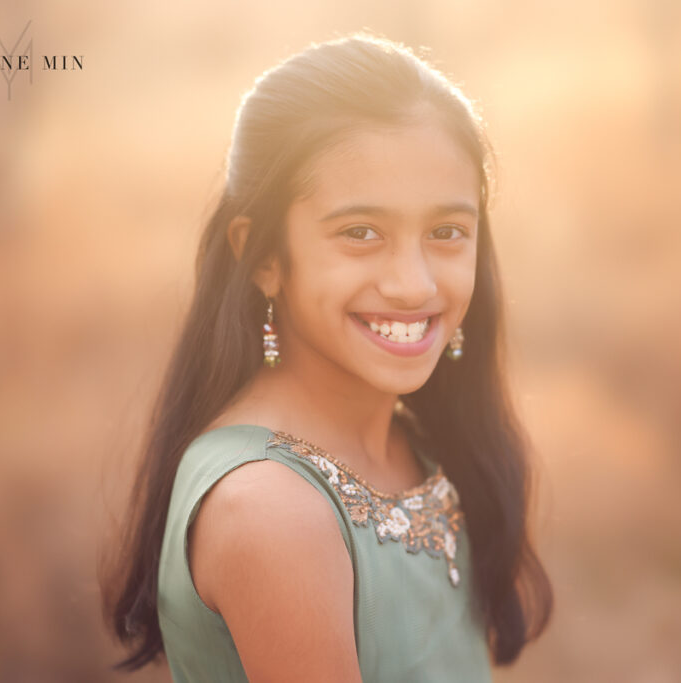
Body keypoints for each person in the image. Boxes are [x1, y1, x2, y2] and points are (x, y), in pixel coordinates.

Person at [101, 32, 552, 682]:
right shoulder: (269, 510)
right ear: (262, 256)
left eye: (446, 232)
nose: (415, 283)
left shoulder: (413, 444)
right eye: (361, 233)